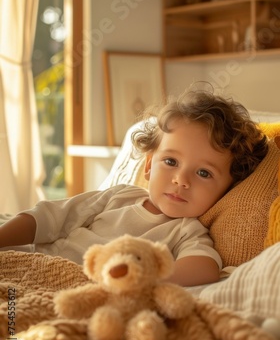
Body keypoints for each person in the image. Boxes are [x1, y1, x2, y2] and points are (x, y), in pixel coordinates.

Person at [0, 88, 268, 286]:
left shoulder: (186, 231)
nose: (181, 180)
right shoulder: (118, 196)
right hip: (42, 263)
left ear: (226, 189)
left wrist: (139, 281)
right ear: (149, 165)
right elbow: (47, 217)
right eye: (171, 161)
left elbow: (204, 268)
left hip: (84, 288)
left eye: (203, 172)